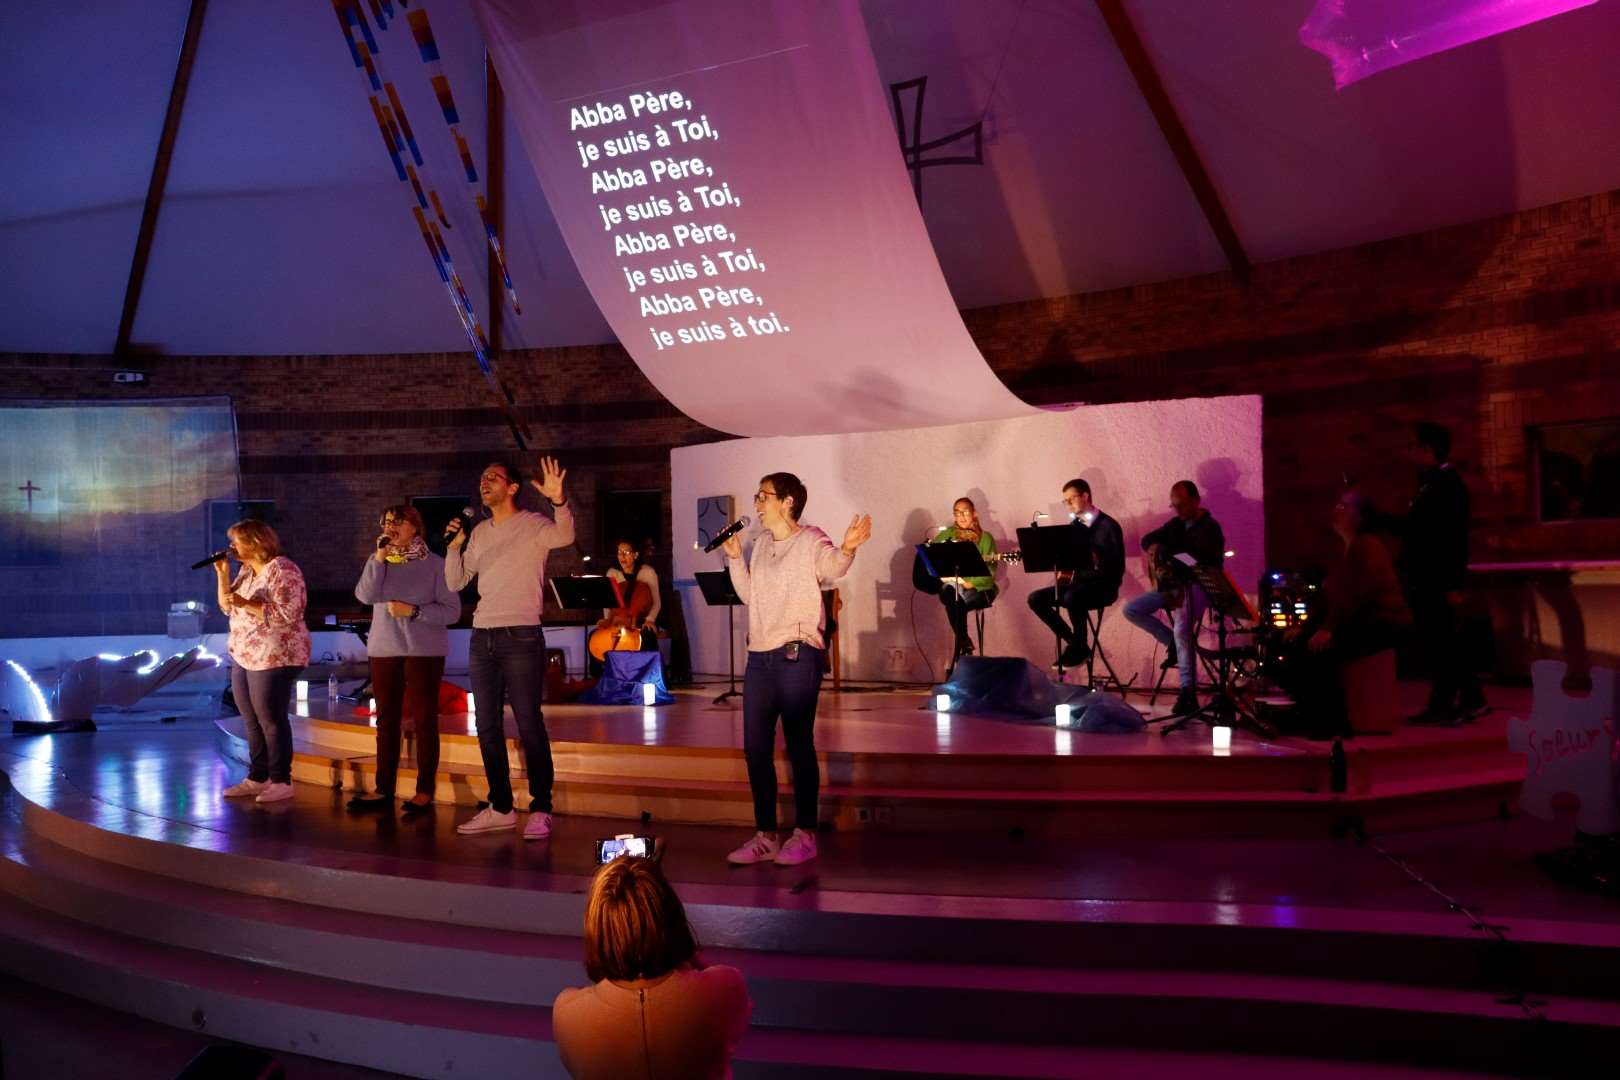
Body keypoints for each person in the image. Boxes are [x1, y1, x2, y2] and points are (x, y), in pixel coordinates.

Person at [722, 472, 871, 866]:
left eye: (764, 495)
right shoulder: (760, 544)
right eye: (757, 495)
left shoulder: (810, 540)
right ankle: (766, 836)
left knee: (798, 742)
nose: (757, 503)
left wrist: (848, 548)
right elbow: (750, 596)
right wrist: (735, 557)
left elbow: (832, 566)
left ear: (787, 501)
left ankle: (805, 834)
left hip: (797, 653)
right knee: (755, 748)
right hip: (760, 655)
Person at [445, 456, 574, 839]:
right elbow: (455, 582)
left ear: (513, 487)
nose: (484, 482)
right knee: (486, 725)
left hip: (520, 634)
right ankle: (500, 806)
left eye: (493, 477)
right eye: (482, 477)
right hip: (482, 634)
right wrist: (453, 548)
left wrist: (559, 500)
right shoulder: (480, 532)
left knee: (528, 722)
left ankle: (541, 808)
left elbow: (565, 536)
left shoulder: (533, 524)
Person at [552, 855, 751, 1079]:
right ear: (672, 918)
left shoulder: (567, 1013)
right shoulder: (724, 989)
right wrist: (688, 959)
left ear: (597, 930)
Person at [349, 504, 461, 816]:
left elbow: (452, 612)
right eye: (386, 521)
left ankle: (425, 790)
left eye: (397, 521)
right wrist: (378, 558)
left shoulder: (435, 564)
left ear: (414, 527)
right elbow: (365, 596)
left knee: (425, 720)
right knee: (386, 720)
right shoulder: (379, 560)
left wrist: (414, 611)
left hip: (424, 650)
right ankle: (383, 788)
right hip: (384, 648)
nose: (390, 526)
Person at [1371, 422, 1485, 724]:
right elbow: (1418, 528)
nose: (1408, 452)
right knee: (1443, 639)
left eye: (1413, 446)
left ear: (1427, 449)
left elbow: (1451, 538)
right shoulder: (1434, 484)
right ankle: (1471, 697)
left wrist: (1453, 584)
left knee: (1439, 642)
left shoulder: (1445, 486)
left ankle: (1444, 704)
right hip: (1430, 577)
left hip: (1435, 578)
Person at [1277, 492, 1411, 734]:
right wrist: (1305, 627)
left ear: (1360, 517)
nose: (1337, 510)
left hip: (1379, 624)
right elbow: (1332, 597)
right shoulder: (1349, 549)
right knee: (1289, 644)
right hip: (1358, 620)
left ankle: (1332, 719)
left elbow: (1358, 595)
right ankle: (1309, 711)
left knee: (1318, 651)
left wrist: (1328, 629)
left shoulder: (1367, 546)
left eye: (1344, 506)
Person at [214, 520, 309, 805]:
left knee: (271, 719)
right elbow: (227, 605)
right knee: (250, 719)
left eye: (237, 541)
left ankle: (281, 780)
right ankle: (258, 776)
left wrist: (246, 603)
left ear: (255, 542)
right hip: (244, 653)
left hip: (275, 654)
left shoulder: (283, 569)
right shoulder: (246, 570)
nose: (231, 547)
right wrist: (222, 574)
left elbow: (289, 614)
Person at [1124, 480, 1225, 716]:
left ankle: (1188, 692)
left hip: (1200, 585)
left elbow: (1194, 559)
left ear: (1196, 501)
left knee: (1182, 628)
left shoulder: (1210, 528)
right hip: (1174, 585)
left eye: (1181, 505)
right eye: (1174, 506)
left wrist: (1167, 550)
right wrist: (1153, 545)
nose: (1177, 510)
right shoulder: (1176, 524)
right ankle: (1172, 643)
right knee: (1132, 610)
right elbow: (1147, 539)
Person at [1026, 479, 1125, 666]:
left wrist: (1087, 568)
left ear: (1085, 496)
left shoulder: (1109, 526)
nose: (1068, 504)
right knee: (1035, 598)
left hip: (1104, 587)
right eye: (1065, 501)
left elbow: (1114, 571)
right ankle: (1075, 643)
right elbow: (1069, 561)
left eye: (1071, 499)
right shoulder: (1074, 527)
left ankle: (1079, 647)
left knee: (1072, 596)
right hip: (1077, 585)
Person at [927, 498, 999, 663]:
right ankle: (964, 641)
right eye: (957, 513)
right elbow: (932, 558)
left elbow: (990, 574)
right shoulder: (948, 534)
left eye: (965, 512)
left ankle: (963, 646)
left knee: (955, 603)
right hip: (954, 588)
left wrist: (970, 583)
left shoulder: (986, 538)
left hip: (980, 589)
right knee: (950, 594)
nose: (961, 517)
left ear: (974, 514)